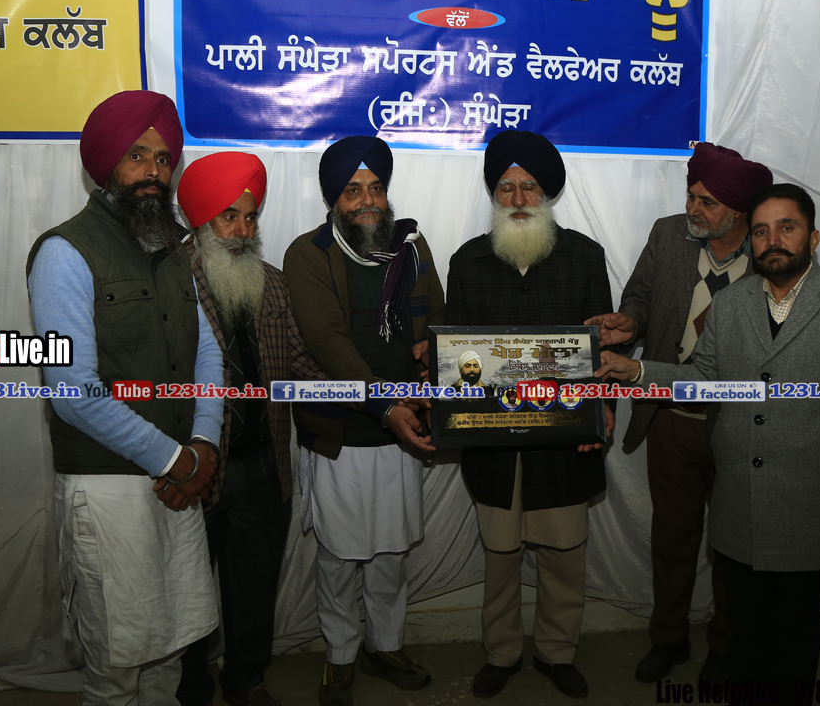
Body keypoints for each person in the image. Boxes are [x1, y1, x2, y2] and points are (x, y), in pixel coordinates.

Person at [595, 183, 820, 704]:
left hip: (812, 502)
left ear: (813, 238)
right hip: (740, 499)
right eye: (761, 231)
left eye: (787, 227)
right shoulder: (731, 303)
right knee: (745, 639)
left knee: (793, 639)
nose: (772, 240)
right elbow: (703, 379)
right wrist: (638, 371)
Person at [26, 90, 223, 705]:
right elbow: (72, 392)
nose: (153, 171)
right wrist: (178, 460)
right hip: (110, 488)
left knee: (168, 655)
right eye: (137, 156)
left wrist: (204, 442)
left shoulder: (172, 249)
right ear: (105, 163)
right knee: (116, 670)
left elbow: (207, 355)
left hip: (178, 484)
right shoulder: (63, 252)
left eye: (163, 159)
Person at [585, 142, 773, 682]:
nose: (693, 209)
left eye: (707, 202)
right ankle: (667, 640)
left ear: (740, 210)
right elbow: (640, 298)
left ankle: (726, 648)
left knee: (736, 545)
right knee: (672, 539)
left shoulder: (770, 253)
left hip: (740, 424)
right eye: (691, 196)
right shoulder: (668, 234)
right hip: (670, 416)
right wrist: (630, 322)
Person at [444, 130, 613, 700]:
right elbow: (455, 358)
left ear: (548, 193)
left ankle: (557, 652)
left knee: (565, 554)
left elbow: (603, 348)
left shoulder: (585, 257)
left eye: (529, 186)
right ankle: (502, 652)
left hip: (564, 438)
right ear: (494, 195)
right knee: (500, 555)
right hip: (495, 441)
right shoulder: (467, 261)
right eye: (506, 187)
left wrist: (600, 413)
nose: (517, 199)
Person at [282, 136, 444, 706]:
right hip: (343, 430)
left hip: (404, 426)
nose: (367, 201)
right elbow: (328, 343)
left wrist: (431, 353)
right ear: (334, 199)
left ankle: (386, 645)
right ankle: (341, 656)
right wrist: (383, 405)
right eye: (353, 191)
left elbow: (437, 316)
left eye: (376, 188)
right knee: (340, 554)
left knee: (392, 550)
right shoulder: (308, 254)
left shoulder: (411, 248)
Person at [173, 151, 326, 706]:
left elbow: (303, 363)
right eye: (228, 217)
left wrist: (375, 395)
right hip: (195, 466)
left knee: (255, 585)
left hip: (265, 463)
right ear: (200, 219)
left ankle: (245, 679)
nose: (242, 231)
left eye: (250, 217)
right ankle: (188, 687)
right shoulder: (169, 281)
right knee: (186, 589)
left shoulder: (273, 284)